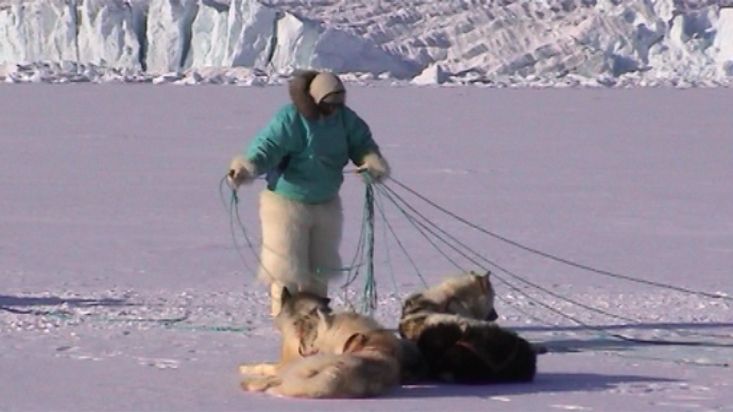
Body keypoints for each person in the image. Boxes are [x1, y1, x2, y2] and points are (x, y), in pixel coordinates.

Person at [227, 70, 390, 316]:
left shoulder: (346, 120)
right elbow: (267, 147)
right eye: (328, 104)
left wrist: (371, 163)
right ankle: (284, 315)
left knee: (319, 269)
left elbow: (362, 144)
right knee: (286, 267)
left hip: (325, 203)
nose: (333, 109)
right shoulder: (290, 118)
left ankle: (316, 315)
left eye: (338, 103)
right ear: (315, 99)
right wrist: (246, 168)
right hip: (285, 203)